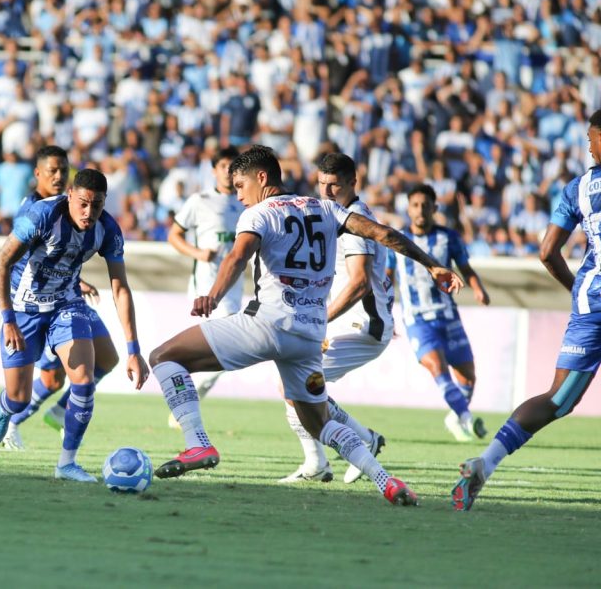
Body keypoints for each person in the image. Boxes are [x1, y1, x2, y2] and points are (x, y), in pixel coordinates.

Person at [144, 146, 464, 506]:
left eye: (240, 185)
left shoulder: (259, 213)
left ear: (261, 178)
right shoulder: (325, 208)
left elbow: (237, 256)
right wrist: (433, 264)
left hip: (265, 326)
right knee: (321, 423)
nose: (237, 194)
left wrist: (213, 297)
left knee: (163, 357)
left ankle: (198, 445)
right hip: (309, 337)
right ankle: (385, 481)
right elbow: (382, 233)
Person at [452, 110, 601, 511]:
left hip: (591, 306)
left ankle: (485, 463)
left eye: (593, 138)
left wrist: (578, 290)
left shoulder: (577, 189)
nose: (588, 146)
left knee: (558, 400)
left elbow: (547, 251)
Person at [0, 168, 149, 482]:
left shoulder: (107, 230)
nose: (90, 213)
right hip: (23, 310)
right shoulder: (42, 216)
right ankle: (7, 407)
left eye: (98, 205)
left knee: (84, 381)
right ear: (70, 196)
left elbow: (120, 288)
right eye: (84, 204)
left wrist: (134, 350)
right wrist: (7, 320)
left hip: (67, 305)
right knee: (18, 396)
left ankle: (66, 463)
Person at [279, 153, 391, 484]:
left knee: (298, 384)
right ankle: (346, 448)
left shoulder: (354, 221)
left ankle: (333, 454)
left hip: (360, 324)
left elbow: (359, 283)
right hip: (356, 320)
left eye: (335, 185)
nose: (326, 192)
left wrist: (320, 319)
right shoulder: (333, 216)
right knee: (300, 384)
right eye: (322, 184)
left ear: (352, 183)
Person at [0, 146, 119, 450]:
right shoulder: (34, 210)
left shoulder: (82, 209)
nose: (57, 175)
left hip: (68, 299)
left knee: (108, 357)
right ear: (37, 174)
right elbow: (30, 261)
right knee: (50, 380)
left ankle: (59, 410)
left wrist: (76, 280)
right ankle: (13, 419)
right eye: (51, 170)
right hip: (34, 303)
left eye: (63, 170)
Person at [387, 185, 491, 442]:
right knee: (437, 366)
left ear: (434, 208)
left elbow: (465, 269)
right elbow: (387, 281)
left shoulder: (449, 237)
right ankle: (467, 417)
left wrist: (478, 289)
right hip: (417, 319)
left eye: (425, 205)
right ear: (408, 208)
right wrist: (385, 313)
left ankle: (456, 415)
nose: (420, 210)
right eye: (415, 205)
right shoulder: (396, 240)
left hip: (448, 316)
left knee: (468, 377)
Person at [164, 146, 244, 428]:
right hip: (205, 289)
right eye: (223, 165)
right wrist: (198, 253)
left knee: (228, 352)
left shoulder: (247, 202)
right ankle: (184, 401)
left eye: (233, 166)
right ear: (214, 169)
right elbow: (174, 235)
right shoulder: (200, 201)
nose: (228, 171)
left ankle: (183, 400)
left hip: (234, 289)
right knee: (223, 352)